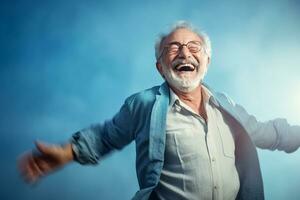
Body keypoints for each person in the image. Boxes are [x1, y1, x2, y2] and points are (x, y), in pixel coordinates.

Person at [18, 21, 300, 200]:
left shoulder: (226, 106)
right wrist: (67, 153)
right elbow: (106, 136)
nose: (184, 53)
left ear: (207, 62)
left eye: (194, 47)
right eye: (173, 48)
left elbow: (268, 133)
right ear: (160, 67)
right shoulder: (144, 104)